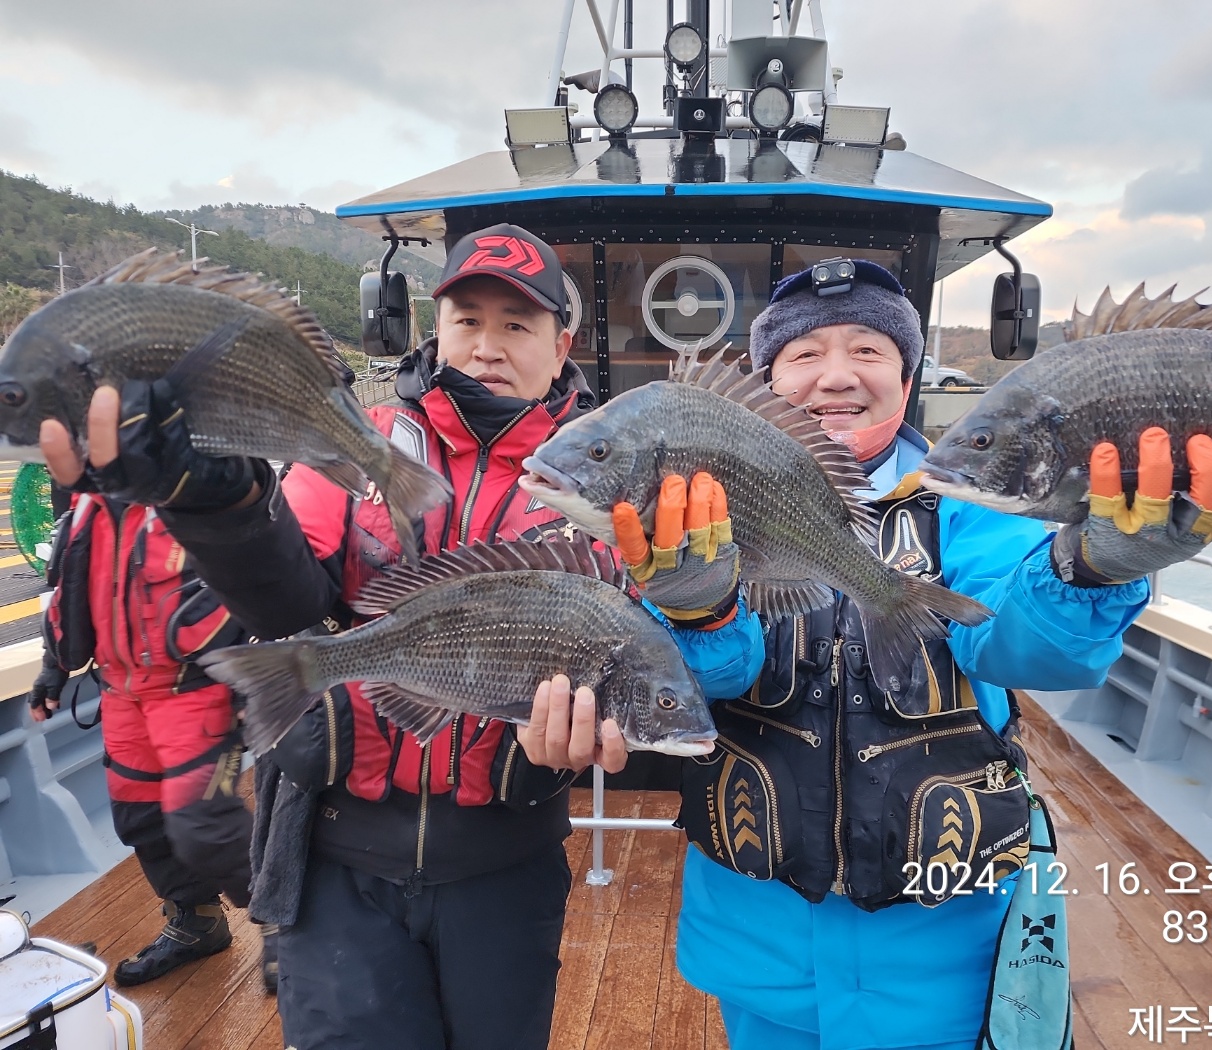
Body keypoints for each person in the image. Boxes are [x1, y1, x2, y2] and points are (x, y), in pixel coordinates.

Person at [38, 222, 763, 1050]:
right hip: (337, 861)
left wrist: (691, 619)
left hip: (506, 865)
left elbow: (664, 652)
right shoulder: (359, 445)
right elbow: (285, 599)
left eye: (517, 324)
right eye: (468, 319)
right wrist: (216, 498)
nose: (488, 345)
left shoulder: (610, 477)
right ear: (436, 327)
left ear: (562, 345)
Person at [671, 260, 1212, 1050]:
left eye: (868, 350)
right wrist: (694, 602)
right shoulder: (702, 506)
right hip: (759, 949)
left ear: (907, 376)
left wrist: (1088, 568)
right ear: (768, 382)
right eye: (804, 354)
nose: (837, 375)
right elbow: (700, 685)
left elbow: (1018, 646)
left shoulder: (971, 501)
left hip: (944, 960)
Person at [28, 494, 269, 989]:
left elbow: (259, 582)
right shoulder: (87, 505)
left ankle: (286, 927)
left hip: (196, 689)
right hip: (121, 692)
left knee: (204, 823)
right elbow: (69, 590)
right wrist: (53, 669)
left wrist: (255, 679)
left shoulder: (198, 489)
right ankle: (197, 921)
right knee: (139, 818)